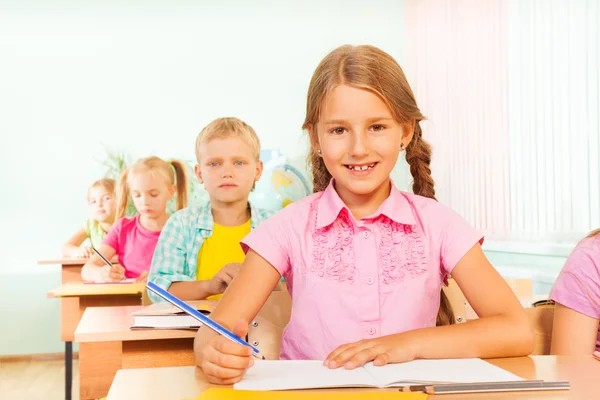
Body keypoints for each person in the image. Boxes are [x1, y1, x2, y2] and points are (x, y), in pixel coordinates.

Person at [193, 44, 534, 384]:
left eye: (377, 127)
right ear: (316, 138)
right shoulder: (287, 228)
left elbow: (517, 330)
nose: (358, 148)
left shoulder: (439, 224)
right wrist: (214, 353)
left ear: (405, 131)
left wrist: (406, 345)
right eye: (339, 130)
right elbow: (210, 335)